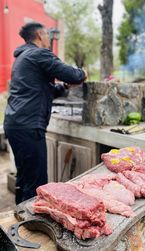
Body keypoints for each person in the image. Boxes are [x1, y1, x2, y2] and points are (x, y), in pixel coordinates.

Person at [3, 22, 87, 204]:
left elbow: (42, 89)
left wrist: (63, 87)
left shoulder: (23, 57)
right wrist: (83, 72)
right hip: (29, 126)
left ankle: (20, 218)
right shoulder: (39, 54)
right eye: (48, 34)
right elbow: (74, 75)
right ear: (40, 34)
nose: (49, 38)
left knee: (25, 177)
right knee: (36, 183)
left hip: (15, 123)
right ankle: (30, 225)